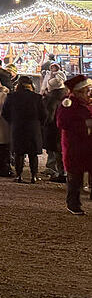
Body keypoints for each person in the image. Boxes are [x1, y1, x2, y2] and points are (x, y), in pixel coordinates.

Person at [56, 75, 92, 215]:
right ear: (78, 91)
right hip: (75, 145)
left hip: (88, 145)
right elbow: (62, 122)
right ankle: (73, 204)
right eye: (86, 90)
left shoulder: (86, 103)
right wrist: (85, 126)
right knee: (75, 176)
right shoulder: (68, 103)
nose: (89, 93)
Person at [2, 77, 45, 183]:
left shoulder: (12, 97)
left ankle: (19, 175)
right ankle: (34, 176)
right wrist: (39, 125)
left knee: (19, 153)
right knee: (33, 154)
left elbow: (5, 113)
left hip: (17, 128)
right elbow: (44, 114)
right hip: (33, 128)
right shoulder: (37, 98)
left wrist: (12, 122)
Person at [42, 77, 69, 183]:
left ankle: (61, 173)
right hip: (64, 128)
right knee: (62, 151)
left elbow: (49, 117)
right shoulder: (67, 97)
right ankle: (63, 172)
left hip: (54, 129)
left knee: (57, 151)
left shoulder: (52, 99)